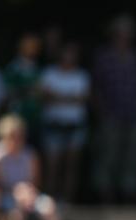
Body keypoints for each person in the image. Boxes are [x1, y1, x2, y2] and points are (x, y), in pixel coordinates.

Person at [92, 15, 136, 204]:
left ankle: (128, 197)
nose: (126, 35)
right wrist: (101, 112)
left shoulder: (135, 57)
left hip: (133, 114)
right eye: (123, 31)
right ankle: (106, 196)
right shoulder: (104, 56)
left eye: (129, 32)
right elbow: (96, 88)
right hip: (110, 115)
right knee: (108, 155)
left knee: (131, 158)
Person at [39, 42, 90, 202]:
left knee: (71, 165)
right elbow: (46, 97)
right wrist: (70, 98)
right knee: (52, 164)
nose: (69, 57)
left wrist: (58, 96)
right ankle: (49, 199)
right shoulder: (49, 73)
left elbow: (82, 99)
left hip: (75, 125)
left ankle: (67, 200)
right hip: (53, 124)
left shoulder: (81, 75)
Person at [0, 115, 40, 208]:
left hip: (27, 196)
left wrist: (26, 191)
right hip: (3, 196)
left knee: (48, 208)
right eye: (12, 136)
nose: (16, 141)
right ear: (3, 136)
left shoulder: (30, 155)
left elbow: (35, 183)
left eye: (19, 136)